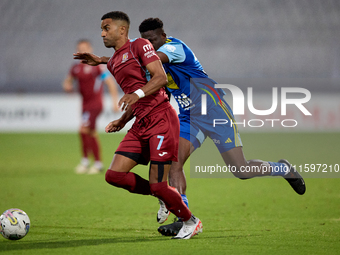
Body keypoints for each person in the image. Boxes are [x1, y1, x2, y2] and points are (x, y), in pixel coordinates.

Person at [74, 16, 305, 236]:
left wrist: (123, 57)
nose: (149, 44)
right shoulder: (146, 50)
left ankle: (283, 168)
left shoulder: (175, 48)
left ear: (163, 35)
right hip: (188, 116)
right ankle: (181, 217)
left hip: (214, 110)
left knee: (240, 170)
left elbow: (147, 57)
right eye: (146, 40)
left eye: (153, 40)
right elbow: (135, 54)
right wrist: (103, 59)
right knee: (175, 163)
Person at [74, 11, 202, 239]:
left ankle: (190, 221)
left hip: (162, 119)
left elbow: (160, 78)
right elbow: (126, 74)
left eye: (106, 28)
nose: (102, 33)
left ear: (122, 30)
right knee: (114, 175)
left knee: (159, 184)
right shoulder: (113, 62)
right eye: (101, 29)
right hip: (141, 123)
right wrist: (122, 120)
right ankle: (163, 197)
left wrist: (138, 93)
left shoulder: (141, 45)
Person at [63, 39, 120, 174]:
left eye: (85, 48)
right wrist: (67, 86)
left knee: (84, 129)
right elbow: (67, 82)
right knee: (88, 131)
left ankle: (92, 163)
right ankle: (92, 163)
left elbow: (110, 83)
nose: (83, 51)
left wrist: (114, 102)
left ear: (90, 49)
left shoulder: (97, 66)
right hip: (84, 104)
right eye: (80, 49)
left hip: (95, 104)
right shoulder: (75, 68)